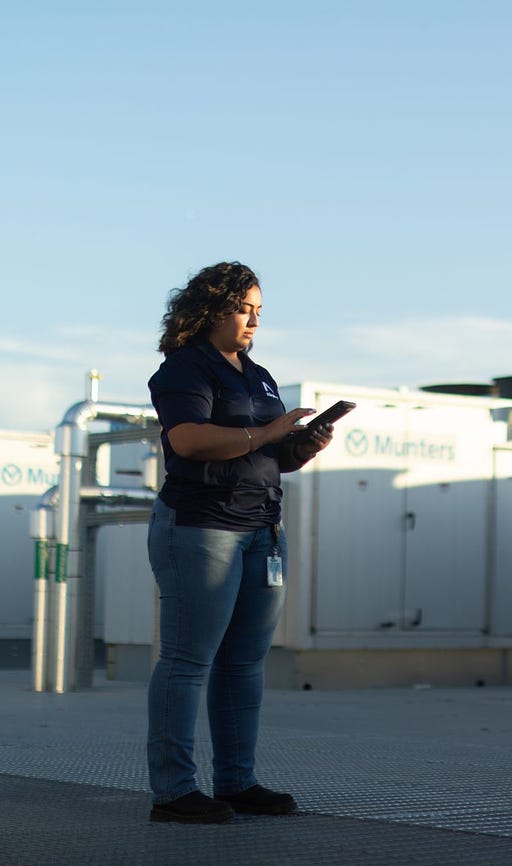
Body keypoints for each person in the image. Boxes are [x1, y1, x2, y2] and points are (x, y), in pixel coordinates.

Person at [145, 261, 334, 824]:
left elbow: (270, 454)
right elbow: (190, 439)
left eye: (259, 311)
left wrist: (300, 446)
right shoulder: (185, 369)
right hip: (201, 528)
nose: (254, 320)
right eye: (243, 308)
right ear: (211, 309)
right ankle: (174, 792)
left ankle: (235, 781)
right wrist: (270, 432)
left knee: (244, 663)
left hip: (261, 530)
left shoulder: (258, 374)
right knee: (187, 660)